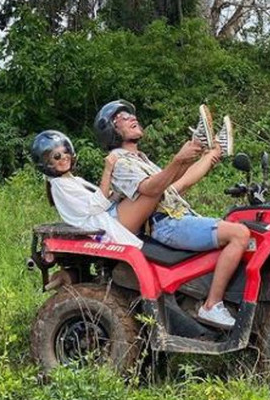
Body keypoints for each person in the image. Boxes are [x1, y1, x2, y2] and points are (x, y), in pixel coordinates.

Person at [94, 100, 250, 330]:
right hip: (166, 223)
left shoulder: (141, 160)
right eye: (123, 117)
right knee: (239, 234)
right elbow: (150, 189)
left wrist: (211, 154)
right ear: (112, 131)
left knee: (242, 224)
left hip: (177, 216)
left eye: (131, 114)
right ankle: (212, 305)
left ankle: (205, 143)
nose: (131, 117)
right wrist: (179, 158)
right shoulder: (120, 162)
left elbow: (181, 182)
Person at [31, 129, 202, 249]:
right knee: (154, 190)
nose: (64, 157)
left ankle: (205, 152)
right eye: (57, 156)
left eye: (66, 151)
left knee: (168, 187)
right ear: (46, 163)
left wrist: (120, 193)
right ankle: (187, 156)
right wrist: (108, 169)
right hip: (107, 224)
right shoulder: (61, 186)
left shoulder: (71, 180)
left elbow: (104, 199)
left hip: (110, 215)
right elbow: (97, 205)